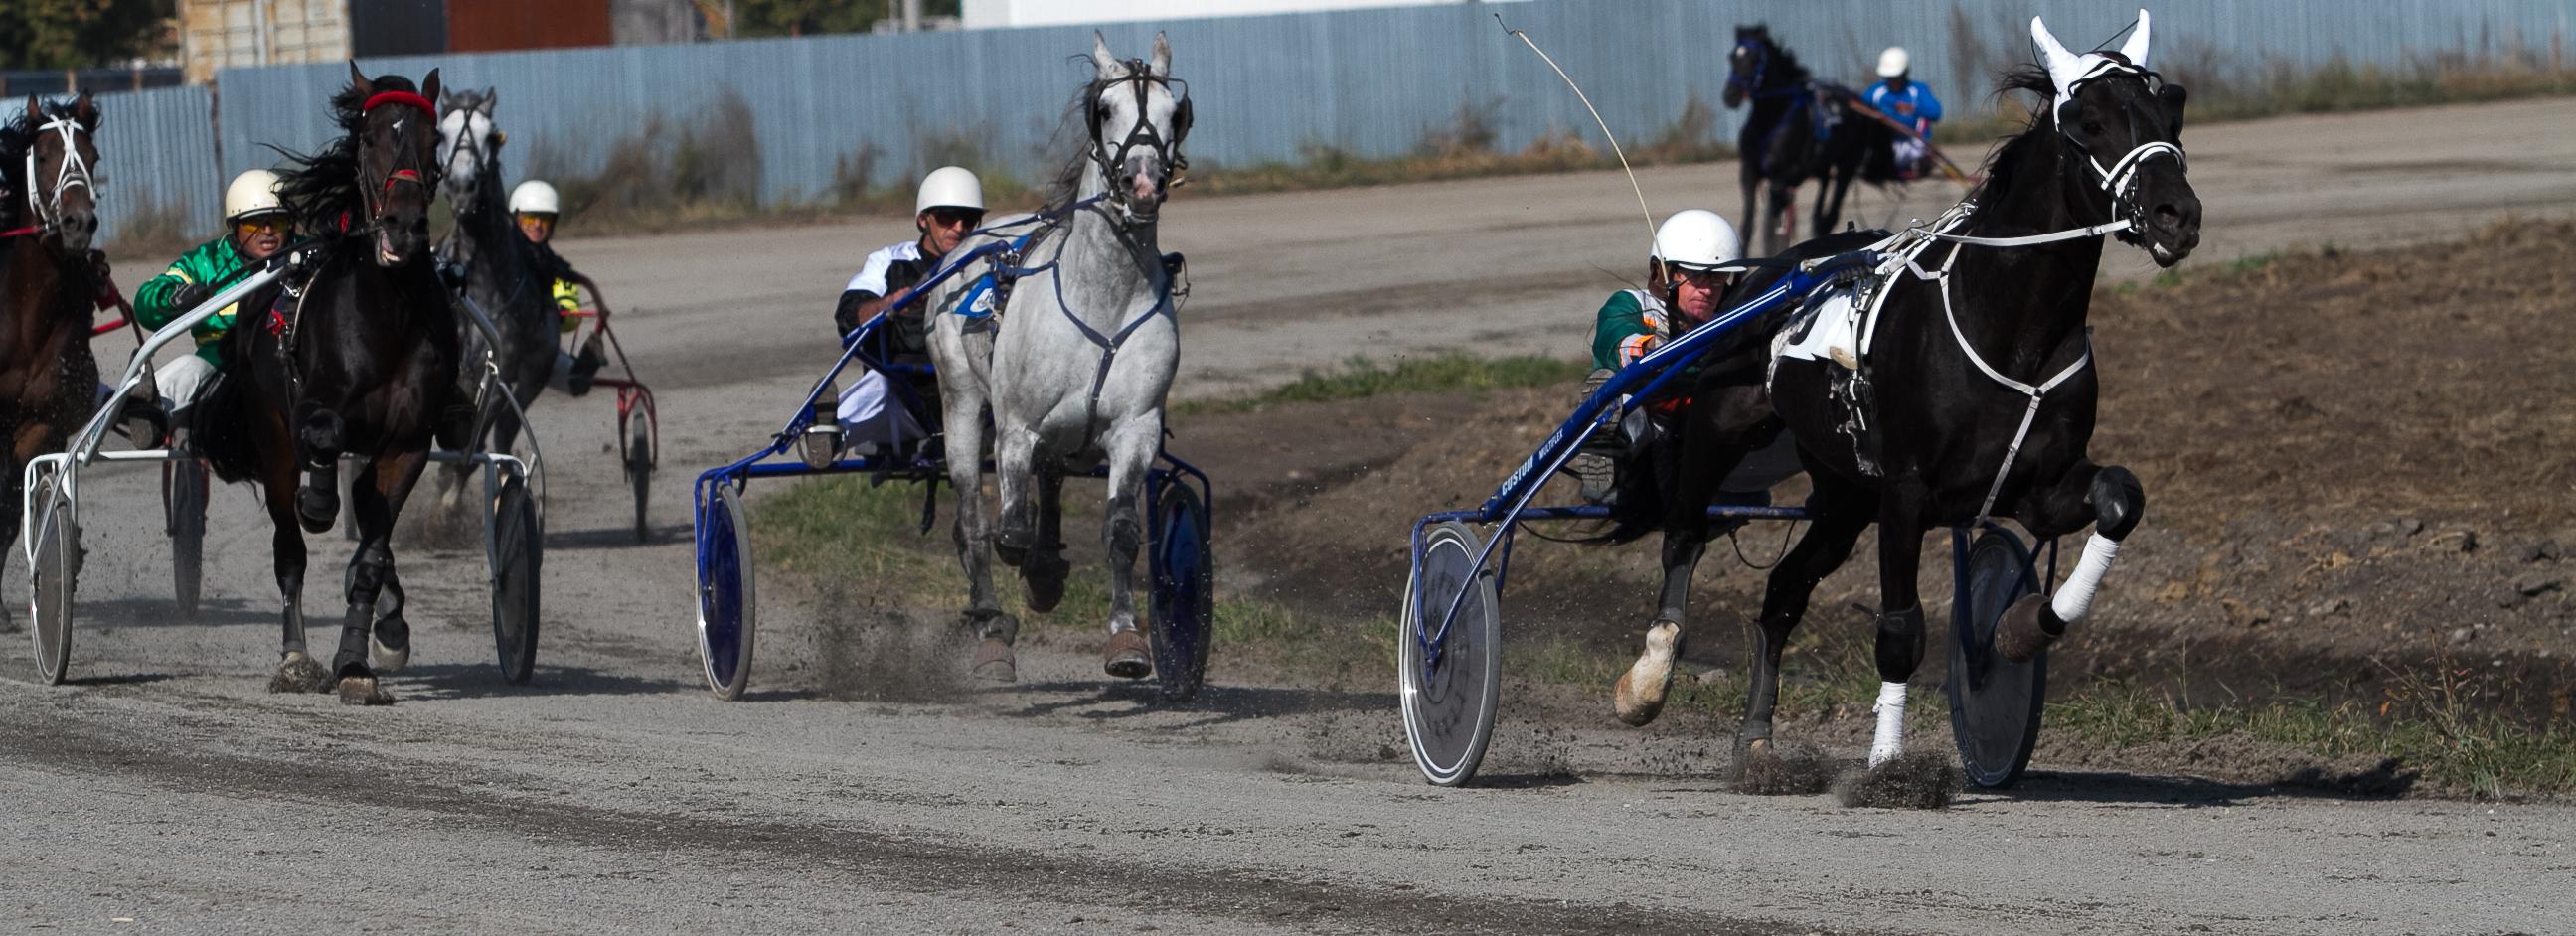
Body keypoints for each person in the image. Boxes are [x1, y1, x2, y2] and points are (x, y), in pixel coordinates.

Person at [1569, 210, 1745, 504]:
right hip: (1644, 424)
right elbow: (1618, 340)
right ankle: (1603, 469)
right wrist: (1652, 347)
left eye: (1717, 278)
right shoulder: (1630, 304)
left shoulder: (1732, 318)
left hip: (1699, 426)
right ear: (1662, 274)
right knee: (1604, 386)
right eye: (1696, 276)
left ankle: (1742, 482)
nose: (1708, 289)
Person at [827, 166, 985, 451]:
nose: (960, 228)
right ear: (924, 219)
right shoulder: (888, 262)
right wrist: (890, 304)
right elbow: (849, 316)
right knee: (879, 385)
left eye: (970, 219)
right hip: (903, 399)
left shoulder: (987, 266)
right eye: (948, 217)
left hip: (972, 396)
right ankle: (827, 436)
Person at [131, 169, 292, 435]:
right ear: (234, 225)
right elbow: (145, 301)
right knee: (190, 368)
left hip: (291, 370)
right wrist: (174, 297)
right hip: (222, 374)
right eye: (255, 223)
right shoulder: (205, 262)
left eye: (277, 222)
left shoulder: (308, 254)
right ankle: (141, 411)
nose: (267, 231)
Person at [507, 180, 606, 396]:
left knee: (578, 384)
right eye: (530, 218)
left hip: (538, 351)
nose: (537, 225)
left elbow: (570, 318)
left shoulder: (555, 269)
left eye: (544, 219)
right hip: (497, 351)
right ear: (516, 219)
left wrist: (558, 314)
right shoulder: (501, 263)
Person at [1865, 47, 1943, 180]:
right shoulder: (1876, 92)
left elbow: (1936, 113)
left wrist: (1914, 109)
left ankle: (1920, 162)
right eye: (1889, 77)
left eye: (1896, 77)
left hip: (1915, 143)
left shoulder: (1918, 90)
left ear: (1905, 73)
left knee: (1923, 123)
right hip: (1887, 145)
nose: (1893, 81)